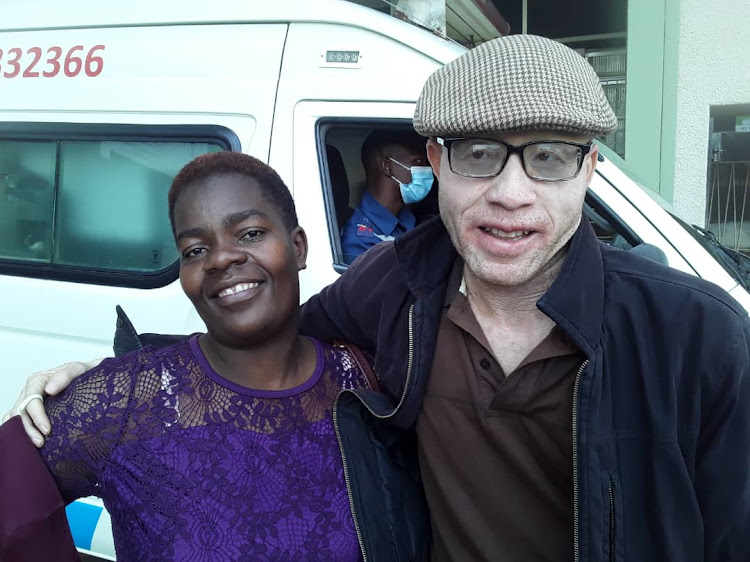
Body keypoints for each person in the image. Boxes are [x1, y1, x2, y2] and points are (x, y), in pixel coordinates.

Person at [9, 35, 750, 561]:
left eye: (549, 157)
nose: (511, 194)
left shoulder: (700, 339)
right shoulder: (398, 284)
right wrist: (123, 380)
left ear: (588, 169)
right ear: (435, 162)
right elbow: (264, 337)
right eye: (479, 155)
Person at [0, 151, 381, 561]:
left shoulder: (364, 381)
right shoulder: (123, 402)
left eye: (250, 233)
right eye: (195, 250)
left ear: (298, 247)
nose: (220, 258)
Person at [339, 130, 433, 263]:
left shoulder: (409, 219)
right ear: (388, 167)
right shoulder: (360, 241)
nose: (427, 170)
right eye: (418, 162)